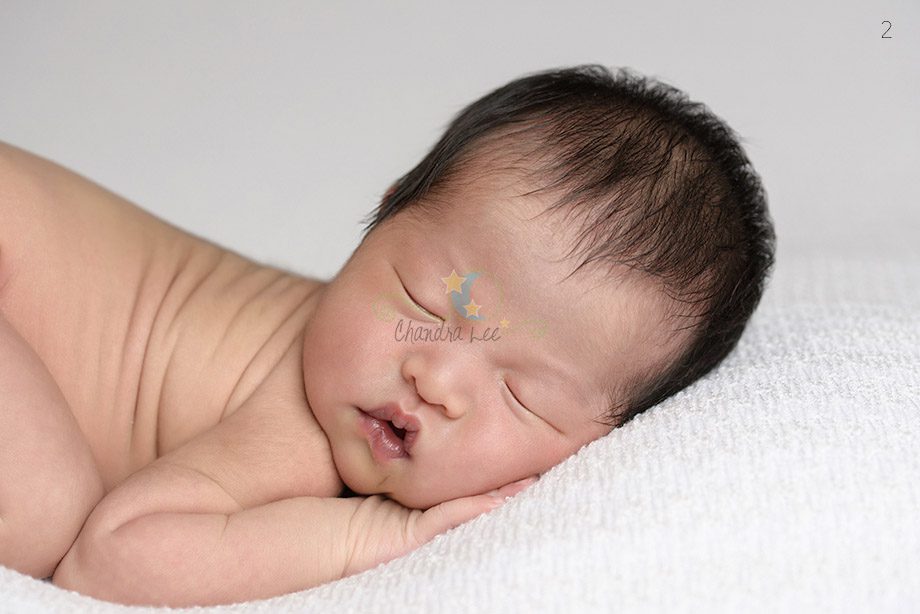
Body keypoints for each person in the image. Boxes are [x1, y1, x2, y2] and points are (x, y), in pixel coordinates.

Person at [0, 64, 776, 606]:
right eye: (427, 303)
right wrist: (366, 537)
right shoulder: (296, 422)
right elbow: (109, 561)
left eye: (520, 394)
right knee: (42, 515)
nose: (436, 379)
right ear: (387, 209)